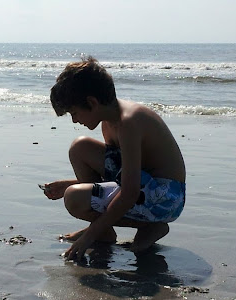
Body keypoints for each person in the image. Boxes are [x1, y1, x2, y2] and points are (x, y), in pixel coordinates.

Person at [43, 57, 186, 261]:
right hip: (142, 185)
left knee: (74, 198)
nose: (75, 120)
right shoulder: (109, 120)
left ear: (92, 102)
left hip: (165, 198)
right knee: (80, 147)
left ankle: (151, 227)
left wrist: (89, 237)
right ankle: (105, 231)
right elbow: (121, 176)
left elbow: (129, 192)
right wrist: (69, 183)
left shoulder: (129, 123)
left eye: (74, 113)